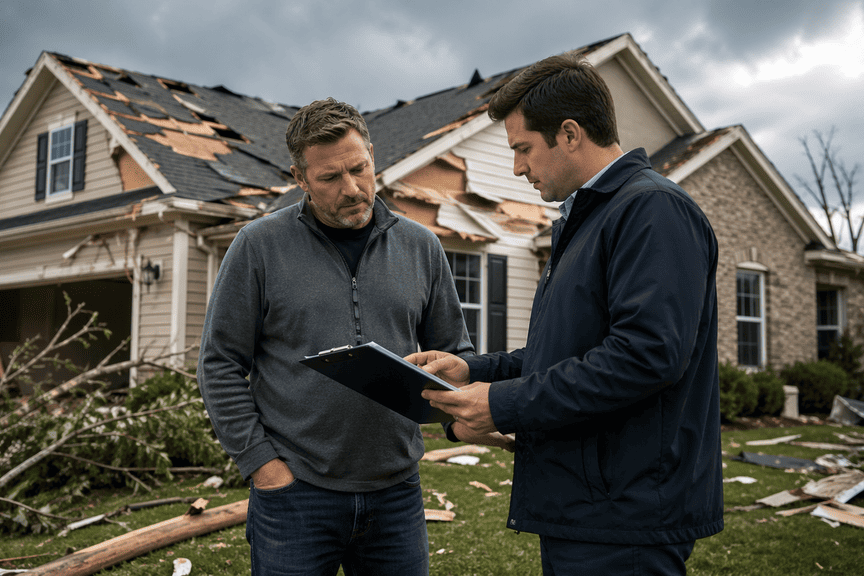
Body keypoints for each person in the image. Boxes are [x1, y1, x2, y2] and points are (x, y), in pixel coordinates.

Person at [413, 52, 723, 575]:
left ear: (571, 133)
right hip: (589, 507)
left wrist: (505, 404)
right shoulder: (589, 220)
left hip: (627, 515)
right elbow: (562, 355)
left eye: (523, 149)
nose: (517, 167)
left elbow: (646, 357)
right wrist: (474, 371)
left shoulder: (651, 210)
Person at [196, 97, 474, 576]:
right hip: (295, 495)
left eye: (360, 169)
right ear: (300, 178)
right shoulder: (258, 246)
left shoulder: (421, 246)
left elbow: (457, 353)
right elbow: (219, 363)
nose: (352, 189)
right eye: (329, 178)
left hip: (397, 494)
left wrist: (457, 402)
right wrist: (262, 464)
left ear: (371, 154)